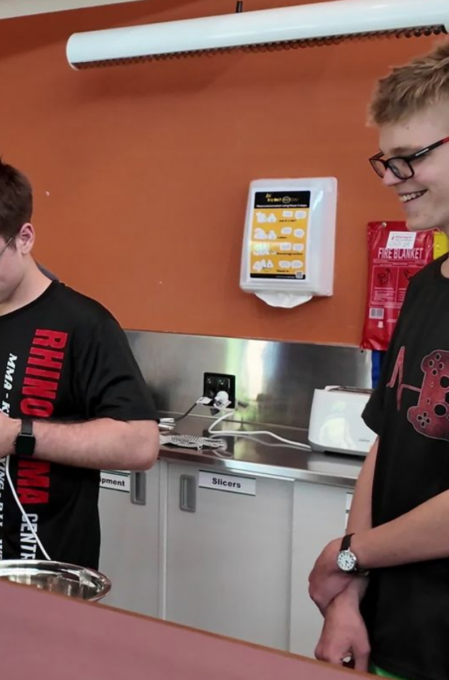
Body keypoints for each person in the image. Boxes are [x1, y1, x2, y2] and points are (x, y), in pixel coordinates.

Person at [0, 155, 159, 568]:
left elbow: (141, 443)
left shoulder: (84, 324)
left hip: (54, 568)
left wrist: (19, 437)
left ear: (24, 237)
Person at [309, 42, 449, 680]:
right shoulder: (426, 286)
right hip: (392, 634)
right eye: (386, 162)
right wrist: (352, 591)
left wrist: (349, 555)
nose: (392, 179)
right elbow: (384, 444)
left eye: (411, 158)